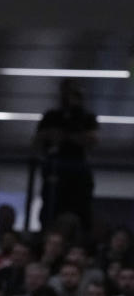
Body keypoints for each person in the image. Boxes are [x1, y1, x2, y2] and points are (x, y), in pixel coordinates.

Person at [33, 78, 98, 230]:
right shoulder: (51, 116)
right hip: (55, 165)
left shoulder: (86, 117)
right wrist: (52, 135)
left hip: (77, 167)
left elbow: (92, 140)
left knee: (79, 204)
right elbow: (38, 141)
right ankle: (48, 229)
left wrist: (66, 135)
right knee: (52, 204)